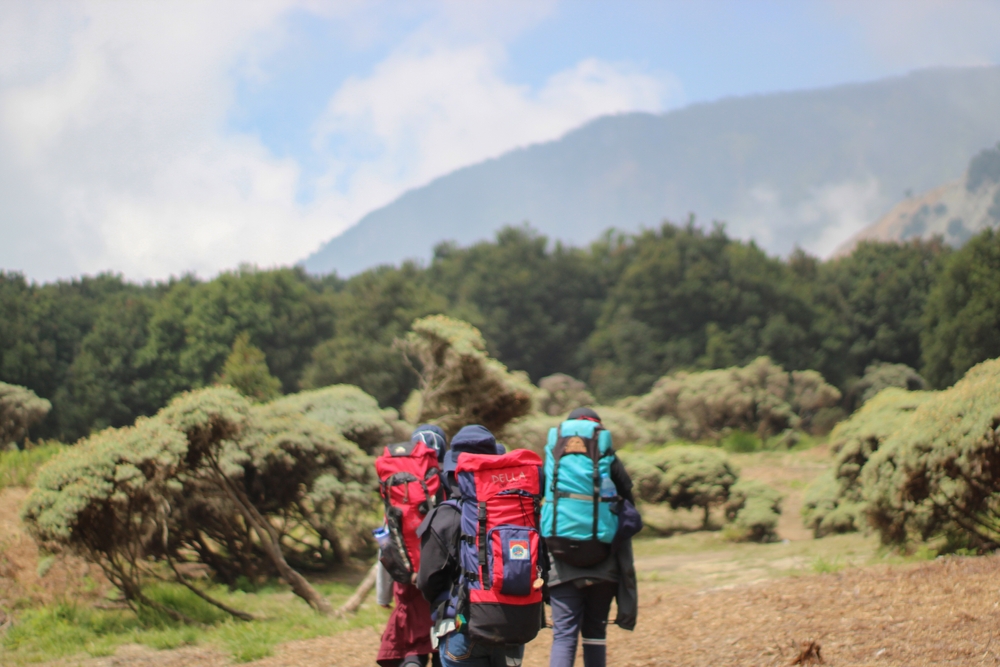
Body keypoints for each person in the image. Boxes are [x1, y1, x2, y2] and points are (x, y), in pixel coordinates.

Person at [416, 425, 544, 667]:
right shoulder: (517, 511)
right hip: (513, 628)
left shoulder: (446, 515)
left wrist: (444, 603)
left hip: (462, 629)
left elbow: (427, 580)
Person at [543, 407, 640, 667]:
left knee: (563, 636)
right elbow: (628, 501)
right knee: (595, 633)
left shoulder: (554, 459)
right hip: (603, 559)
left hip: (560, 560)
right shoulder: (607, 458)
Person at [376, 424, 450, 667]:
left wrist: (383, 593)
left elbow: (386, 543)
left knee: (413, 646)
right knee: (443, 643)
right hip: (441, 579)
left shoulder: (398, 488)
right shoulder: (448, 483)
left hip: (407, 579)